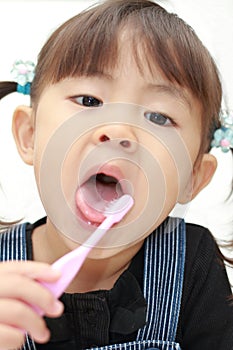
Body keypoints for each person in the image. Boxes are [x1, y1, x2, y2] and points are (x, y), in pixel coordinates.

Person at [0, 0, 233, 349]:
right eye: (89, 101)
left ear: (194, 177)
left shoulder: (192, 266)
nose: (120, 130)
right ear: (29, 134)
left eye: (158, 117)